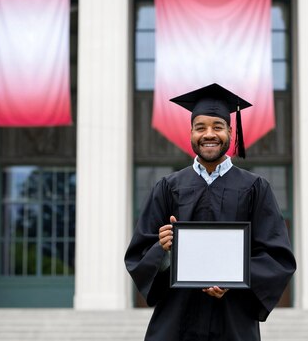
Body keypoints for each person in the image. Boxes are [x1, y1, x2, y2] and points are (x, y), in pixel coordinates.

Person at [124, 83, 296, 341]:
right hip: (177, 320)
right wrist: (163, 249)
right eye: (200, 127)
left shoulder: (255, 188)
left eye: (217, 127)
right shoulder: (168, 188)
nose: (209, 134)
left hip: (233, 319)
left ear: (230, 130)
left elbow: (278, 256)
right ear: (191, 132)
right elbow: (139, 254)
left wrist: (235, 279)